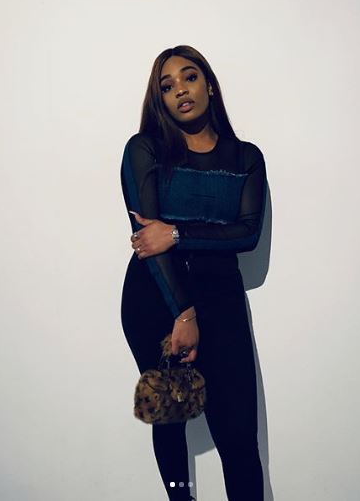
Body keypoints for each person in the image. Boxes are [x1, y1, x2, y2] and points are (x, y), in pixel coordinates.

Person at [120, 44, 268, 501]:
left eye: (189, 77)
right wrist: (183, 313)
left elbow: (247, 234)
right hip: (157, 295)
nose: (180, 90)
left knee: (238, 433)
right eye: (167, 86)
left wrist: (178, 233)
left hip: (221, 297)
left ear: (209, 85)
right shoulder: (145, 149)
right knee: (169, 416)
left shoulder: (245, 158)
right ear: (160, 99)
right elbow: (149, 241)